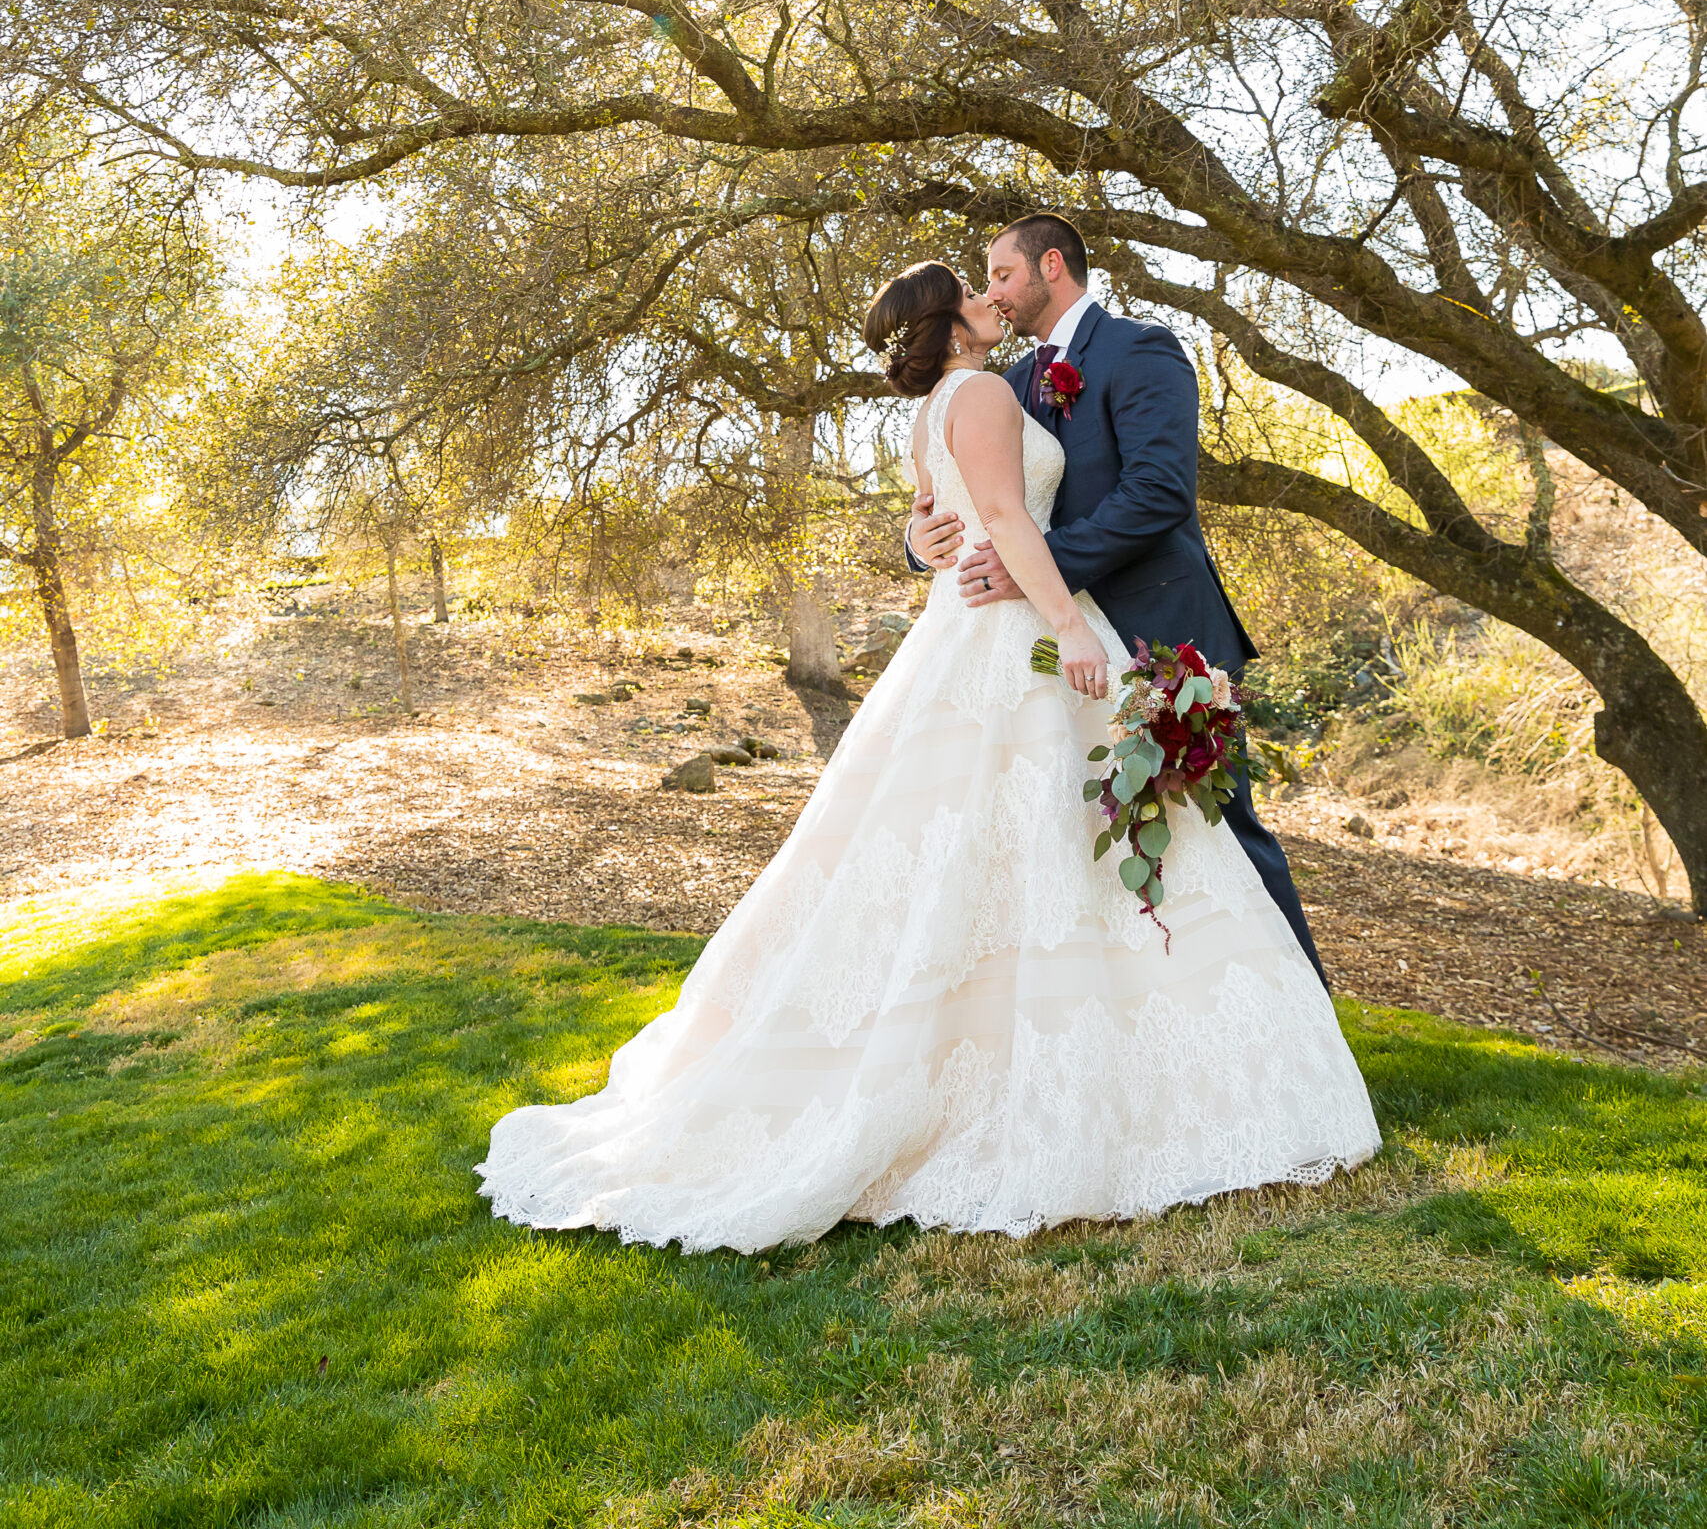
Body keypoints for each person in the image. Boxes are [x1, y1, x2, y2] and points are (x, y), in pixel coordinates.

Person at [476, 257, 1378, 1252]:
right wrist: (1067, 628)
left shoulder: (956, 400)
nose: (994, 296)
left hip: (993, 625)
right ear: (948, 321)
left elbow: (969, 509)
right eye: (976, 285)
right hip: (1017, 632)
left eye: (1003, 275)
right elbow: (990, 518)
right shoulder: (988, 388)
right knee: (1049, 843)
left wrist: (938, 539)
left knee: (1024, 846)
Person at [907, 213, 1328, 980]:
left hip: (1164, 631)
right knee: (1096, 845)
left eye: (1001, 275)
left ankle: (1306, 1018)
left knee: (1219, 830)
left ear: (1051, 267)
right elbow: (991, 499)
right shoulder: (1005, 384)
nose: (994, 295)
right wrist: (921, 540)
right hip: (1059, 653)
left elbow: (1157, 493)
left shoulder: (1141, 349)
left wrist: (1033, 567)